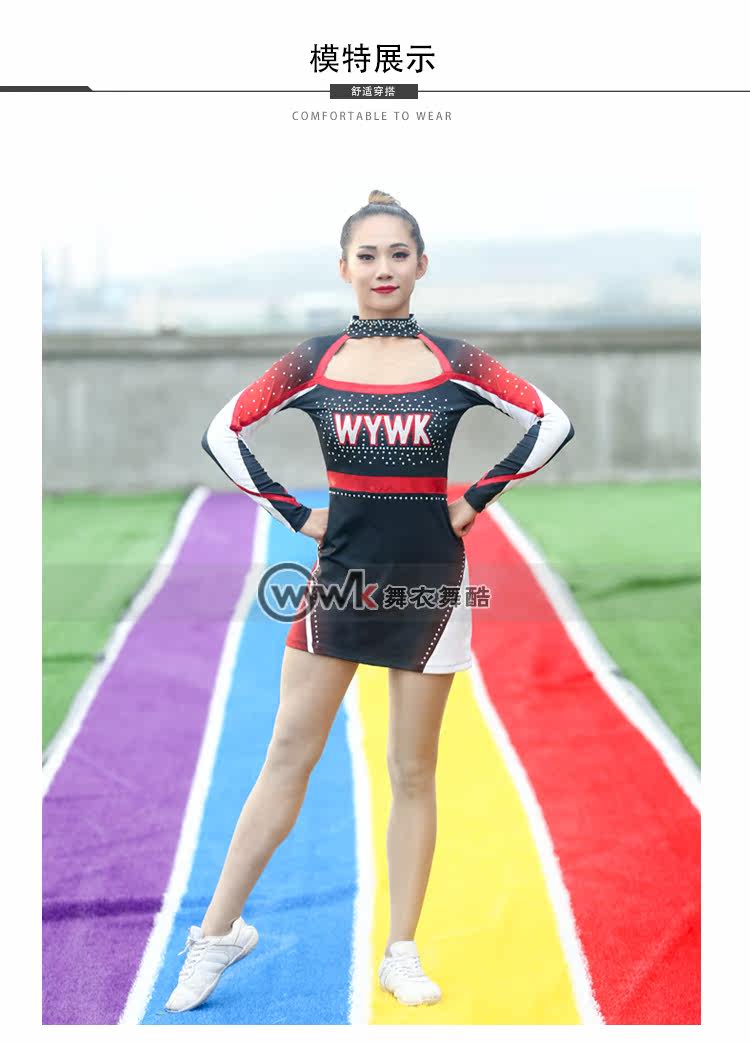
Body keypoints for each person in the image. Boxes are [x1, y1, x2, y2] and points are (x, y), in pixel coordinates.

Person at [165, 190, 575, 1014]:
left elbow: (551, 422)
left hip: (431, 585)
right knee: (288, 754)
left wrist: (475, 498)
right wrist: (295, 514)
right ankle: (215, 934)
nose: (383, 268)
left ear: (421, 264)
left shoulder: (457, 361)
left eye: (398, 254)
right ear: (344, 267)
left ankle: (401, 950)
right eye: (368, 255)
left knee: (412, 770)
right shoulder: (313, 361)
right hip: (341, 582)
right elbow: (222, 434)